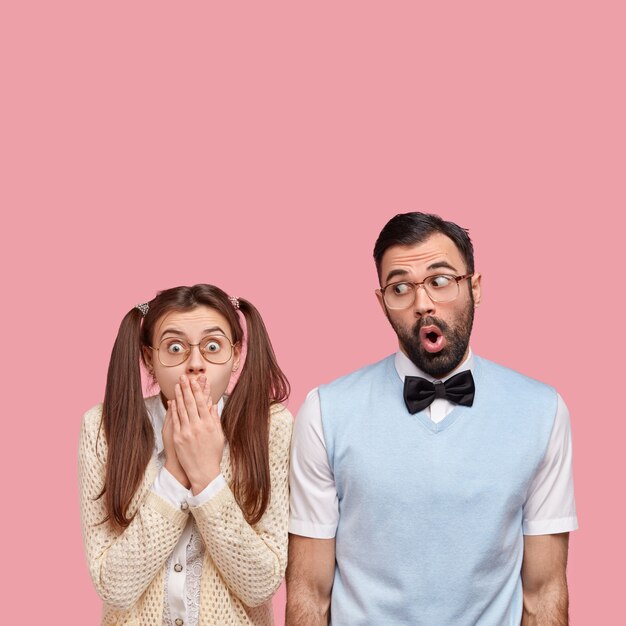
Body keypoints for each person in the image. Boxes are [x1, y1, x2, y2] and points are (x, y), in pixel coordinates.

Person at [286, 213, 577, 625]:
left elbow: (544, 592)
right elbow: (309, 594)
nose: (422, 303)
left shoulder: (543, 412)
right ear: (381, 302)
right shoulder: (324, 411)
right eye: (400, 287)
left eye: (440, 281)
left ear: (474, 288)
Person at [79, 284, 292, 626]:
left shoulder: (271, 428)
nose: (195, 364)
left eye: (212, 346)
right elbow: (113, 586)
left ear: (236, 355)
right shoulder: (102, 428)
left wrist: (206, 477)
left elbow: (260, 585)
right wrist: (175, 473)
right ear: (149, 358)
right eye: (175, 348)